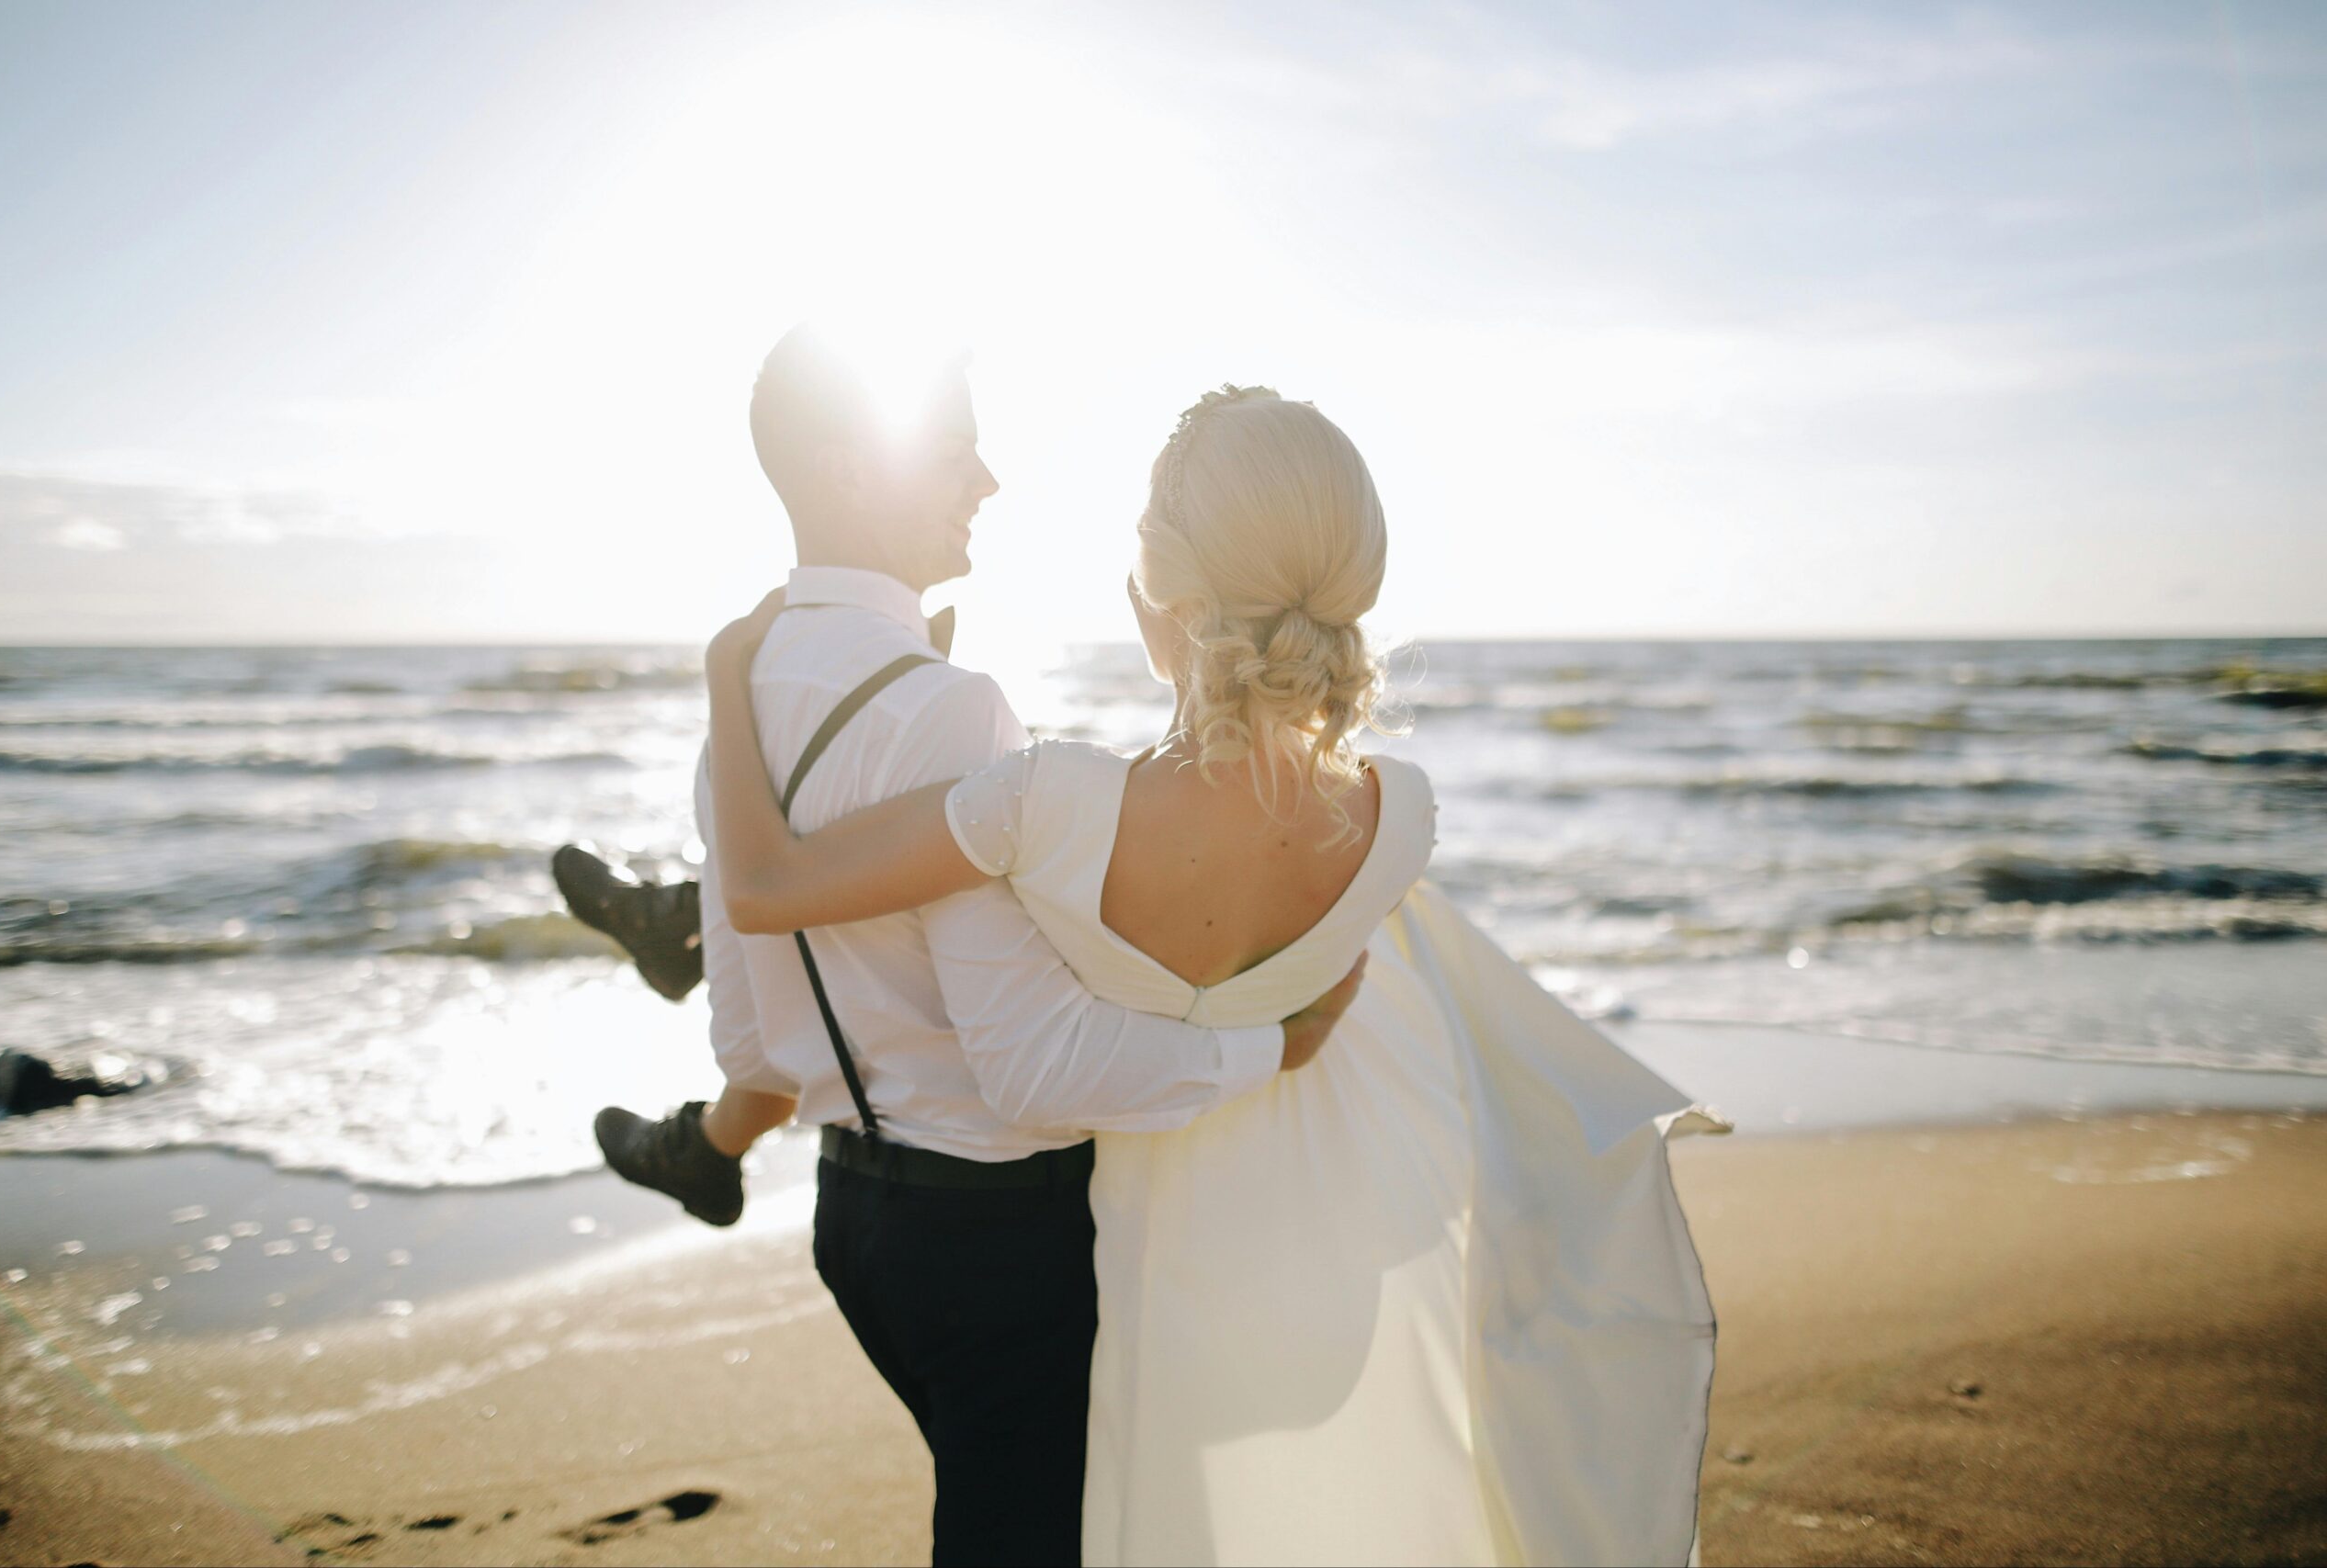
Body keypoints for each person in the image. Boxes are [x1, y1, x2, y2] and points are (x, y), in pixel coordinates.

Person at [697, 383, 1728, 1566]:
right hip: (1317, 1263)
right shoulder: (1402, 820)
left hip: (1135, 1280)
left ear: (1158, 598)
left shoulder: (1049, 804)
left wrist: (733, 679)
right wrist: (1278, 1039)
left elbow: (771, 888)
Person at [593, 327, 1366, 1567]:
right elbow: (1032, 1067)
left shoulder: (739, 707)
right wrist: (1272, 1047)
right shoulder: (953, 709)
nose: (989, 481)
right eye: (955, 453)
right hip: (998, 1249)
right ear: (853, 471)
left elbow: (752, 1039)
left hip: (854, 1225)